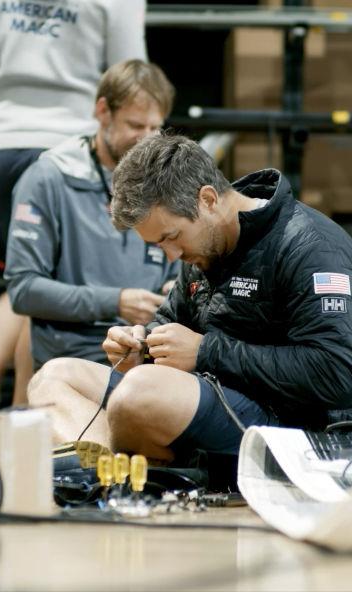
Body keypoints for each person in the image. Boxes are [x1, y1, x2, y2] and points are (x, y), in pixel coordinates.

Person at [27, 133, 352, 460]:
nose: (170, 255)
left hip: (290, 426)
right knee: (53, 377)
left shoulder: (311, 246)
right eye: (158, 245)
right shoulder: (200, 249)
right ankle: (106, 477)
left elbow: (338, 372)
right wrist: (143, 343)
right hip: (204, 399)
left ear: (208, 200)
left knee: (137, 394)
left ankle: (121, 467)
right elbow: (171, 321)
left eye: (172, 237)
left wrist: (206, 352)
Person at [0, 0, 148, 411]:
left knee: (32, 283)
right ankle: (22, 412)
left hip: (9, 142)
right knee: (41, 289)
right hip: (77, 148)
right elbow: (132, 77)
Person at [4, 59, 178, 375]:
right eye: (136, 126)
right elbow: (23, 290)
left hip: (151, 352)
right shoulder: (48, 178)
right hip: (74, 355)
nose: (147, 139)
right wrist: (115, 302)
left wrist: (176, 289)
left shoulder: (163, 179)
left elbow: (183, 265)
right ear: (102, 112)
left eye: (156, 128)